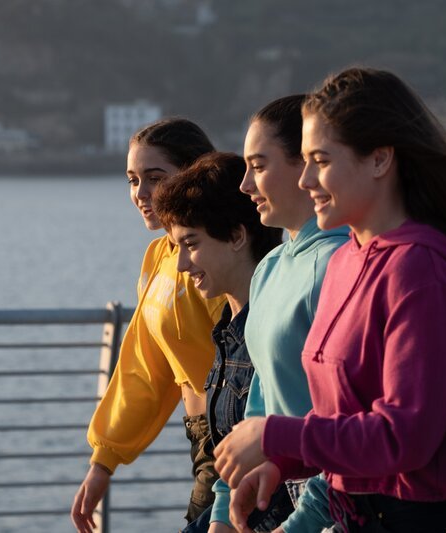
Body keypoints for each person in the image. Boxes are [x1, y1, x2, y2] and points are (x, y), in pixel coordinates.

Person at [215, 67, 446, 533]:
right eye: (304, 160)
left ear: (379, 159)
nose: (305, 180)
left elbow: (405, 436)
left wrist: (279, 434)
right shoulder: (347, 261)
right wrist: (282, 463)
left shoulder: (421, 270)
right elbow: (345, 418)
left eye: (320, 160)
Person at [71, 118, 225, 533]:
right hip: (203, 443)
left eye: (155, 178)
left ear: (196, 174)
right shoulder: (160, 256)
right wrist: (104, 459)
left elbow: (252, 353)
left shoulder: (220, 254)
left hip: (235, 441)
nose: (141, 193)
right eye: (132, 180)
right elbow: (145, 366)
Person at [207, 95, 349, 533]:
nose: (245, 185)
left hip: (335, 504)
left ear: (304, 166)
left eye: (259, 166)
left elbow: (351, 414)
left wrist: (305, 522)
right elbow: (260, 403)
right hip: (277, 493)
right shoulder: (269, 267)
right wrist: (223, 509)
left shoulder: (339, 264)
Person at [151, 151, 283, 532]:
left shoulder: (272, 328)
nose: (181, 265)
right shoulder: (227, 331)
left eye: (190, 244)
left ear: (237, 236)